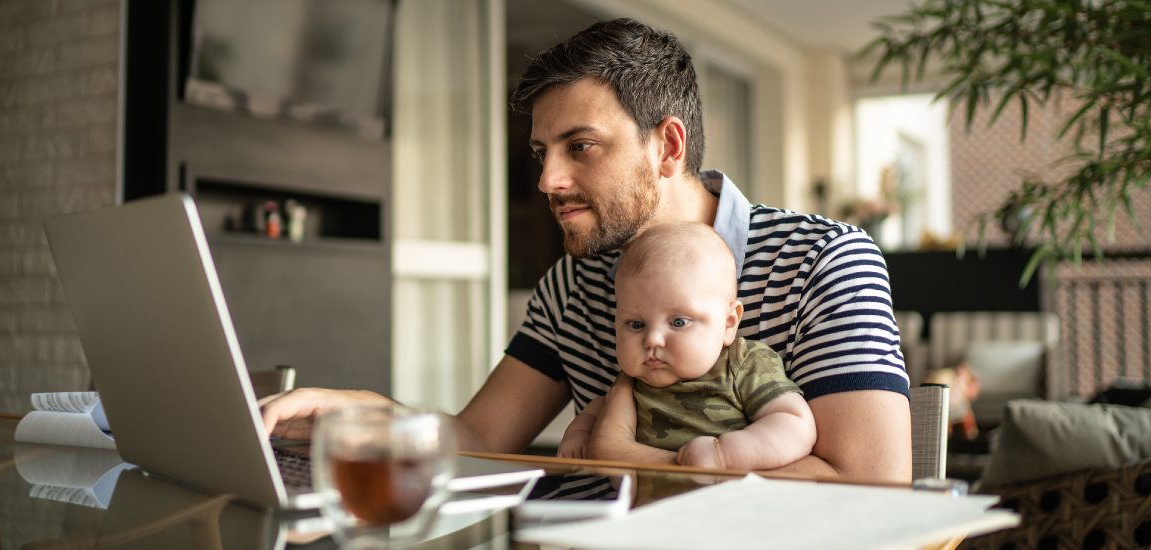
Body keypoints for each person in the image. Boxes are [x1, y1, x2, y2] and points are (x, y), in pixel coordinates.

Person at [260, 17, 912, 481]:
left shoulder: (822, 259)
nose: (548, 180)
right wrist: (369, 414)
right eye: (543, 153)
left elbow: (875, 485)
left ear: (669, 147)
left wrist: (652, 466)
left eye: (582, 147)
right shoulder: (570, 288)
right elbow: (481, 439)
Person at [556, 223, 816, 471]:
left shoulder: (742, 364)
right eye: (636, 325)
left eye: (678, 322)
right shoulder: (634, 383)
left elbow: (794, 423)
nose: (653, 340)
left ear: (728, 323)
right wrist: (579, 434)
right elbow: (597, 409)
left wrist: (724, 453)